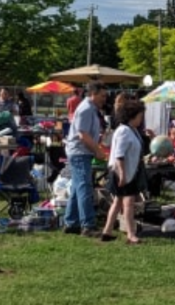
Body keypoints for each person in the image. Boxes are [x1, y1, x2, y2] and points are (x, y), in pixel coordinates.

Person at [63, 81, 108, 237]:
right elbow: (83, 135)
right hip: (79, 153)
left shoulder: (91, 108)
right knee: (85, 188)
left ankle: (71, 223)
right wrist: (97, 151)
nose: (105, 99)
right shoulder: (86, 109)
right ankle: (88, 225)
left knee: (77, 188)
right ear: (93, 94)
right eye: (102, 96)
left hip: (80, 152)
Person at [100, 100, 146, 245]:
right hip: (122, 173)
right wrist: (123, 175)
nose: (141, 119)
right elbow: (119, 155)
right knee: (128, 203)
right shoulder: (124, 131)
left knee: (118, 201)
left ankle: (107, 231)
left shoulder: (131, 130)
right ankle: (131, 235)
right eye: (140, 116)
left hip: (126, 171)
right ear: (132, 116)